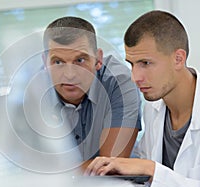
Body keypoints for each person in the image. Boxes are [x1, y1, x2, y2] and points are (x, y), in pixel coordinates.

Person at [84, 10, 200, 187]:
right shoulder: (153, 108)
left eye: (145, 63)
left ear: (178, 58)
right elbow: (148, 186)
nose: (135, 77)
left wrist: (150, 168)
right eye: (132, 64)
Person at [41, 16, 142, 168]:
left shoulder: (119, 82)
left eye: (80, 60)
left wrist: (51, 171)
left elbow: (109, 166)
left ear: (98, 59)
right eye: (58, 62)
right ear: (45, 63)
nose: (70, 74)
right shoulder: (32, 91)